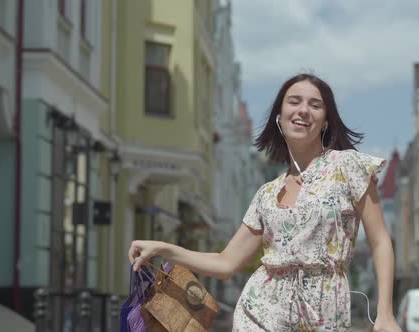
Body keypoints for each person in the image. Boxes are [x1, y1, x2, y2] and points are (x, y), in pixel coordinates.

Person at [128, 73, 402, 332]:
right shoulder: (267, 194)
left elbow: (379, 241)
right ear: (279, 119)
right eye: (294, 101)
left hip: (324, 311)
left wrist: (385, 312)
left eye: (315, 104)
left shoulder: (348, 166)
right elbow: (226, 263)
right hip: (260, 311)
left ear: (326, 120)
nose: (303, 109)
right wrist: (163, 248)